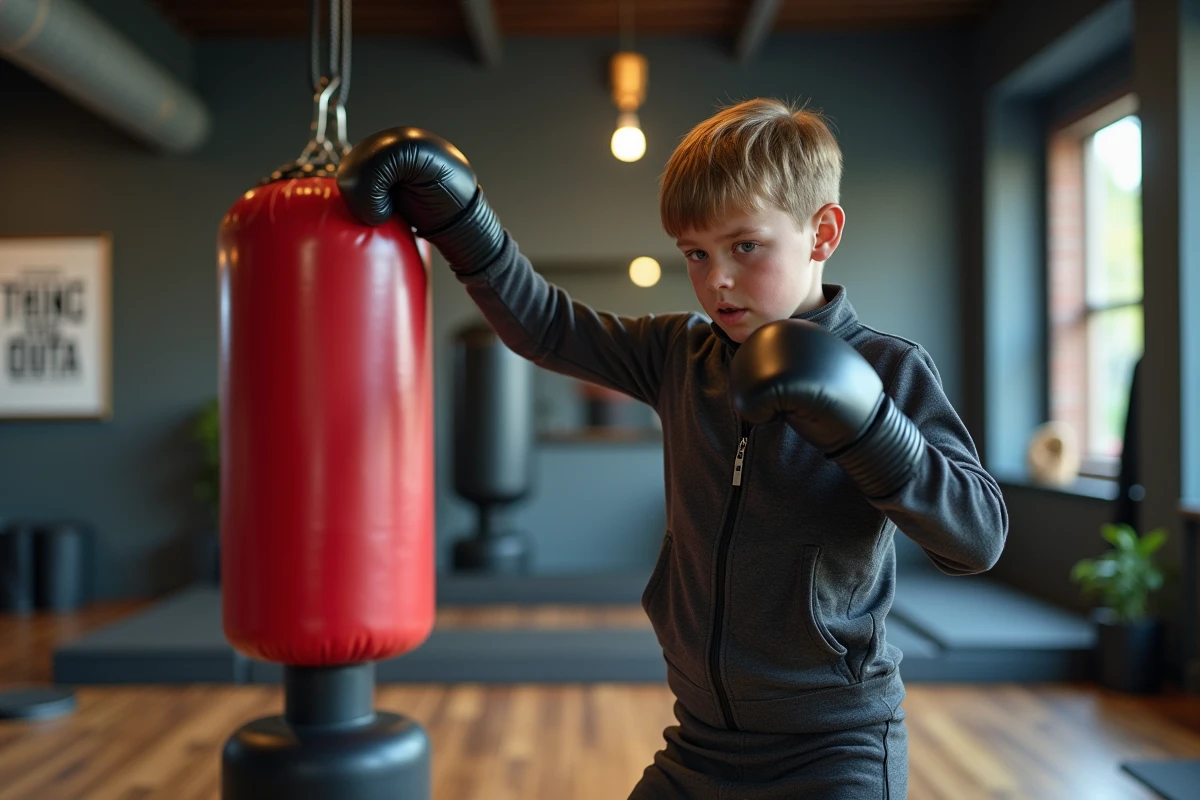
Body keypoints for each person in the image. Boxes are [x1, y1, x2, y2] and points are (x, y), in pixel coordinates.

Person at [337, 98, 1008, 799]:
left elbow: (979, 538)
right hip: (700, 743)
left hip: (834, 748)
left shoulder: (888, 368)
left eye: (745, 246)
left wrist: (868, 425)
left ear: (822, 232)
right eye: (696, 253)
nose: (717, 280)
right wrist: (459, 220)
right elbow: (546, 326)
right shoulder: (680, 356)